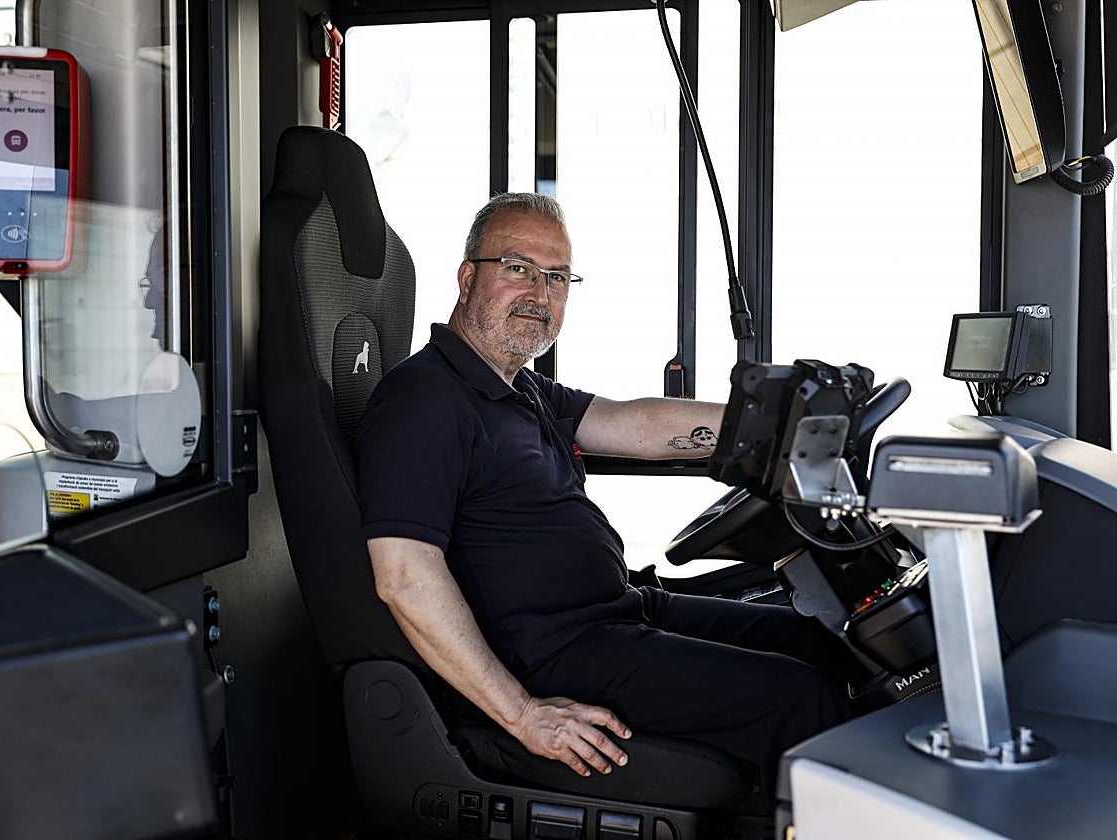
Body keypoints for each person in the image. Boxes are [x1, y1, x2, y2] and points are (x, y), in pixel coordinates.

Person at [355, 192, 847, 797]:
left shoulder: (517, 388)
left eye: (557, 277)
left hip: (618, 609)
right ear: (466, 277)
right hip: (553, 653)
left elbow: (635, 424)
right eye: (518, 269)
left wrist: (783, 423)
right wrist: (523, 714)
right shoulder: (425, 400)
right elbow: (404, 577)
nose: (539, 293)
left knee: (820, 640)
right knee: (802, 699)